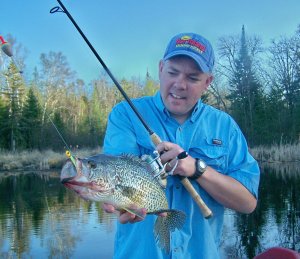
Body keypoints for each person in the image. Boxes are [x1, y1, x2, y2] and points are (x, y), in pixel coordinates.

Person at [102, 32, 260, 259]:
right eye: (173, 72)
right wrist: (115, 202)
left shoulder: (225, 127)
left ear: (208, 82)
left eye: (193, 77)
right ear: (160, 69)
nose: (179, 84)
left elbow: (247, 203)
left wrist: (196, 168)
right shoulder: (126, 114)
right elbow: (113, 177)